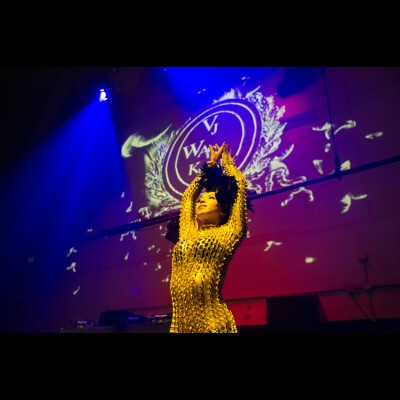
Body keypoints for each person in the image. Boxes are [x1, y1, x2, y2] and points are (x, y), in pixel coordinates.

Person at [169, 142, 253, 333]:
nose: (202, 200)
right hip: (181, 324)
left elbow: (239, 186)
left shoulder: (229, 232)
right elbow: (188, 197)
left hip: (212, 322)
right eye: (202, 198)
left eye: (210, 198)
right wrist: (210, 165)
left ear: (223, 210)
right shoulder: (188, 232)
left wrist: (227, 164)